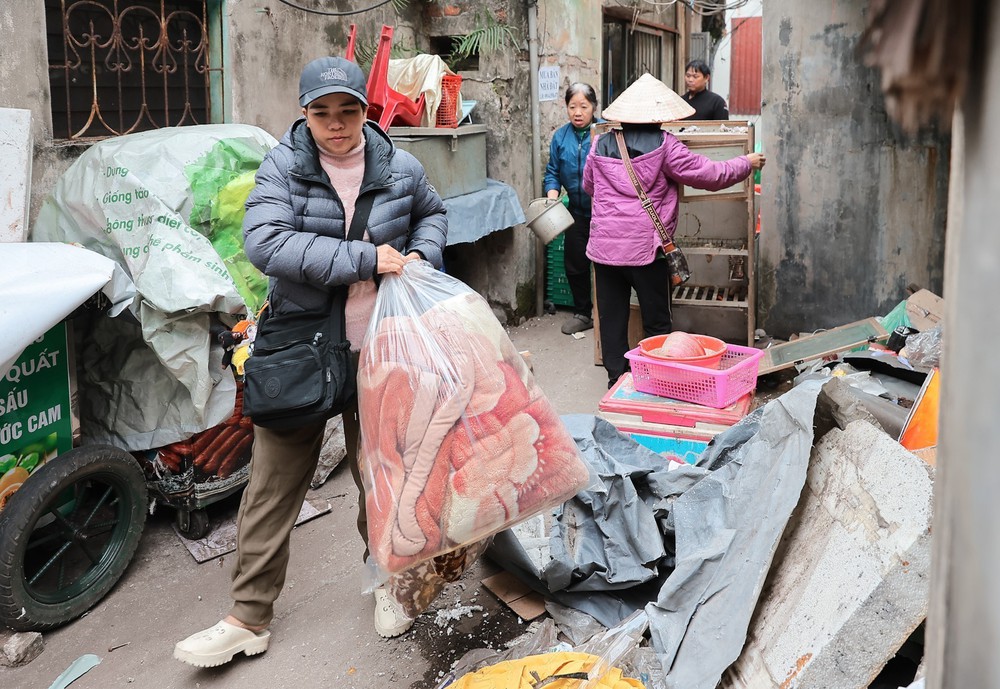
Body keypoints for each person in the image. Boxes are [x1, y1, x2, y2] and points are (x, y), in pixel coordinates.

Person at [174, 56, 473, 668]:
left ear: (367, 111)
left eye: (348, 111)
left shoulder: (400, 165)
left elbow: (435, 214)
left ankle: (394, 583)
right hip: (301, 346)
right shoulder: (283, 167)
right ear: (304, 114)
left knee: (384, 476)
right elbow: (267, 243)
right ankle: (247, 617)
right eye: (322, 113)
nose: (336, 125)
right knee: (272, 484)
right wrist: (368, 260)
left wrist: (420, 254)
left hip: (382, 346)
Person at [583, 73, 765, 388]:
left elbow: (588, 186)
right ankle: (657, 379)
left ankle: (617, 381)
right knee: (656, 321)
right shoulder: (666, 145)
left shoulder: (600, 142)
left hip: (605, 251)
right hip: (647, 251)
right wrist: (746, 163)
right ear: (660, 115)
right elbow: (710, 175)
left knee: (612, 322)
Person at [543, 83, 600, 335]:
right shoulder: (560, 137)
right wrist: (552, 197)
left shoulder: (604, 134)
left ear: (594, 107)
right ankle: (583, 313)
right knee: (575, 264)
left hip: (603, 212)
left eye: (583, 107)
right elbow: (553, 172)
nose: (578, 112)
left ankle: (607, 315)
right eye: (572, 106)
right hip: (575, 211)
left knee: (606, 267)